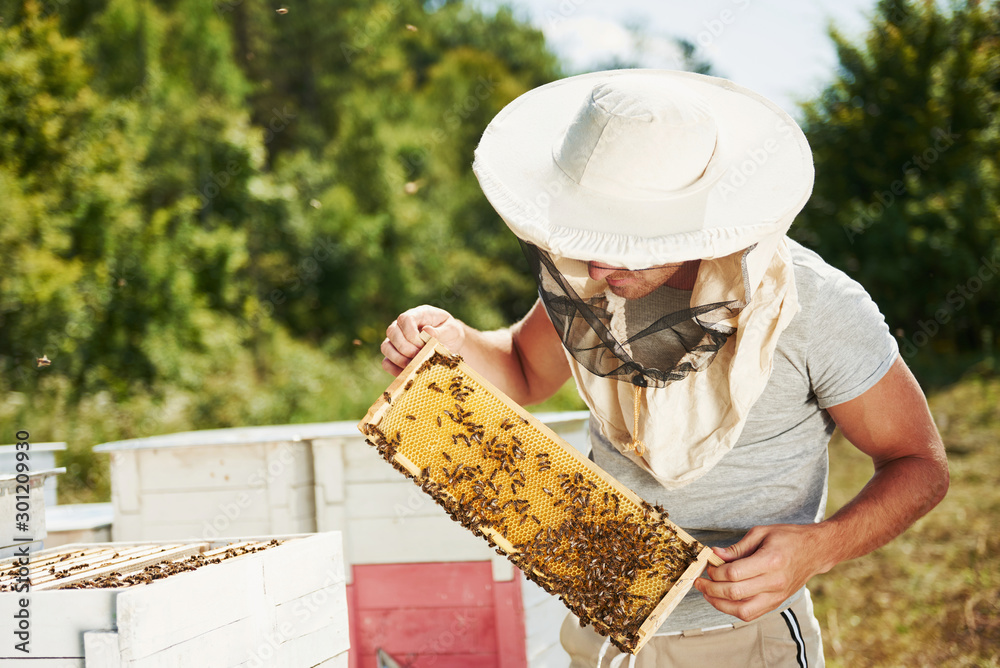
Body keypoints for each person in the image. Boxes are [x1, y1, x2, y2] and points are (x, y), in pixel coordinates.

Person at [380, 70, 949, 667]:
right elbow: (523, 369)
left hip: (739, 644)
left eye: (620, 238)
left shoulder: (816, 304)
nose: (596, 262)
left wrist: (821, 547)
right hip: (601, 629)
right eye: (582, 231)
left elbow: (920, 465)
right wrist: (453, 341)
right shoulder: (588, 280)